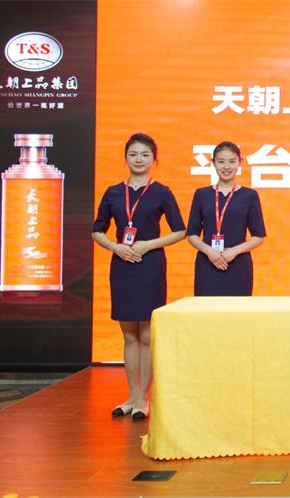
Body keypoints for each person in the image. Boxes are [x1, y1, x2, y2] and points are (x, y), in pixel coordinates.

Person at [91, 133, 186, 420]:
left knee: (147, 333)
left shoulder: (161, 192)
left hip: (149, 264)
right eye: (133, 154)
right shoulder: (113, 192)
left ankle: (144, 397)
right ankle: (131, 396)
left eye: (145, 154)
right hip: (122, 264)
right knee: (128, 333)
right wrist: (115, 247)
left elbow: (180, 230)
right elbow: (97, 230)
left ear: (154, 160)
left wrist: (148, 245)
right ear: (125, 158)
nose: (139, 159)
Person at [186, 141, 266, 296]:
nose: (226, 167)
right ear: (213, 163)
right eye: (221, 161)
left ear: (240, 163)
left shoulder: (250, 195)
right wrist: (209, 252)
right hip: (207, 262)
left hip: (238, 263)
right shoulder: (201, 194)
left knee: (236, 309)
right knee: (205, 308)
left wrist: (234, 251)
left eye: (232, 161)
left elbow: (259, 237)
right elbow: (192, 234)